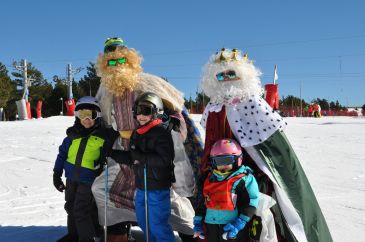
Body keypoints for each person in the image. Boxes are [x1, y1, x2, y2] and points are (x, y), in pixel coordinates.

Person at [110, 92, 176, 242]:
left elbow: (165, 159)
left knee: (157, 225)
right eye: (138, 111)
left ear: (156, 112)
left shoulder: (161, 132)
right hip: (141, 187)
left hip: (158, 189)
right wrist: (112, 154)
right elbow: (133, 158)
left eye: (146, 111)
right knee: (144, 223)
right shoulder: (137, 133)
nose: (141, 115)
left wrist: (142, 157)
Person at [53, 96, 119, 242]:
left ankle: (86, 238)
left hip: (89, 180)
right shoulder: (71, 136)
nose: (87, 119)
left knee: (81, 210)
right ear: (77, 116)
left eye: (91, 115)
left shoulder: (103, 136)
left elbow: (117, 138)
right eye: (82, 115)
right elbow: (62, 155)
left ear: (98, 116)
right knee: (70, 207)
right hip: (71, 179)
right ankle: (73, 235)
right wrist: (56, 174)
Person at [193, 138, 259, 242]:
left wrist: (240, 222)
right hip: (211, 226)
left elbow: (251, 202)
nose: (223, 165)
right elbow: (202, 201)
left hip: (232, 226)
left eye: (227, 160)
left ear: (237, 160)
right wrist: (198, 221)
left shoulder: (243, 179)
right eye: (219, 161)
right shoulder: (208, 179)